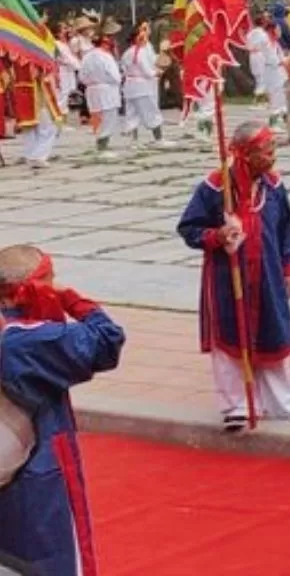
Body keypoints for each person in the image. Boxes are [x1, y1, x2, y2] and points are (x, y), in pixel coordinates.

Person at [178, 122, 290, 429]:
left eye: (273, 151)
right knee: (230, 336)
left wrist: (289, 267)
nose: (272, 157)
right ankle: (237, 406)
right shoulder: (216, 187)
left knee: (274, 334)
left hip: (267, 274)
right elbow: (189, 229)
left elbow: (284, 230)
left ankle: (286, 403)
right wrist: (217, 236)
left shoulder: (274, 185)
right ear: (246, 154)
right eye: (266, 152)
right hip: (226, 277)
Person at [0, 246, 124, 576]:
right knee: (48, 554)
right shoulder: (27, 341)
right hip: (35, 468)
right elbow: (107, 340)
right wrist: (71, 299)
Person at [247, 10, 289, 123]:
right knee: (275, 95)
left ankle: (283, 117)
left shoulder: (274, 42)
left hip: (277, 70)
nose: (280, 32)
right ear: (272, 30)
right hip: (272, 69)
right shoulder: (265, 40)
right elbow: (272, 58)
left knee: (281, 95)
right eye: (277, 29)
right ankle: (274, 121)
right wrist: (282, 62)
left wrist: (285, 61)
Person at [12, 67, 57, 171]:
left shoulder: (14, 57)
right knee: (48, 128)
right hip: (34, 95)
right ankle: (38, 156)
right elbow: (36, 75)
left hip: (19, 92)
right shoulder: (32, 59)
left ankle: (30, 156)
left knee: (28, 128)